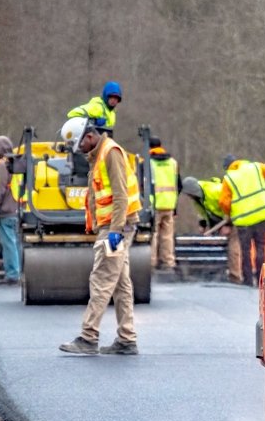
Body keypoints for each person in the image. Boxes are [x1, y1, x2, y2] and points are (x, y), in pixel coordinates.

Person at [59, 118, 141, 355]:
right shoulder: (101, 154)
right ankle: (127, 339)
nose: (80, 150)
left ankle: (88, 337)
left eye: (80, 145)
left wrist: (115, 231)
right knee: (121, 284)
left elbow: (121, 195)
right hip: (116, 226)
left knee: (102, 279)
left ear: (89, 136)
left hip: (116, 228)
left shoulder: (110, 152)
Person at [219, 154, 265, 287]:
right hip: (261, 215)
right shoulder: (255, 168)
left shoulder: (229, 179)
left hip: (243, 220)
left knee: (245, 250)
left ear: (227, 168)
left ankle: (248, 281)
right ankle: (261, 280)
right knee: (260, 247)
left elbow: (223, 201)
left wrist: (228, 214)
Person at [182, 176, 243, 283]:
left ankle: (235, 276)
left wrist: (229, 224)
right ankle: (219, 272)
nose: (189, 197)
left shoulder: (215, 191)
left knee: (233, 246)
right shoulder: (198, 199)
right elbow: (203, 213)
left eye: (189, 194)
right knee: (216, 243)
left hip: (235, 217)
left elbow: (234, 205)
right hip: (219, 219)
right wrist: (203, 226)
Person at [0, 136, 22, 286]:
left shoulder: (2, 166)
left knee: (8, 244)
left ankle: (12, 275)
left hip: (6, 211)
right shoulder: (18, 163)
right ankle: (19, 272)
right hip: (19, 210)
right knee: (16, 243)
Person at [148, 136, 180, 270]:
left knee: (153, 234)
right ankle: (168, 262)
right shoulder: (173, 162)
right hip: (170, 204)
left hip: (154, 204)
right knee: (167, 235)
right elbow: (179, 184)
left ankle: (152, 262)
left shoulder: (148, 163)